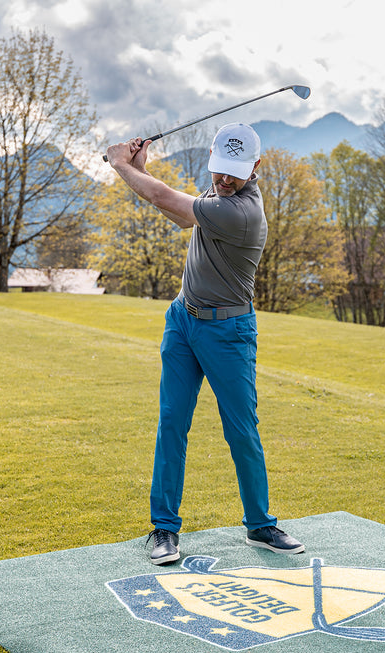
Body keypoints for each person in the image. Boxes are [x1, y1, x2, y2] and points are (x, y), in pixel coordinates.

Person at [105, 122, 304, 565]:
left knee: (241, 430)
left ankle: (260, 525)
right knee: (172, 423)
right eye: (219, 169)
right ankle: (164, 528)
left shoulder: (242, 212)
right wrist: (142, 169)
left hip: (228, 333)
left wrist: (122, 165)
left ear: (255, 166)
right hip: (183, 322)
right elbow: (180, 214)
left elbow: (165, 199)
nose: (225, 179)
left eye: (235, 172)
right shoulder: (218, 194)